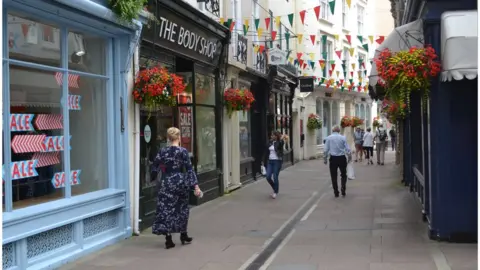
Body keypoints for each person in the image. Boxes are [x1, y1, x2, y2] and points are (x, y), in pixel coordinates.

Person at [152, 127, 203, 249]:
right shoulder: (183, 151)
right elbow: (189, 170)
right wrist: (195, 185)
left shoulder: (162, 151)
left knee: (166, 210)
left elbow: (154, 167)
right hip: (180, 182)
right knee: (182, 209)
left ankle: (168, 239)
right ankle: (183, 234)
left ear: (168, 138)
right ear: (179, 138)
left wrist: (155, 177)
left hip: (167, 182)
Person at [324, 125, 351, 197]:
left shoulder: (328, 138)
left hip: (333, 158)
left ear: (332, 130)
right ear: (339, 131)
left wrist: (325, 159)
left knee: (333, 175)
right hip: (342, 158)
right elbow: (348, 148)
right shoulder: (343, 138)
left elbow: (326, 150)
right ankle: (343, 188)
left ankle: (336, 191)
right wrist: (349, 156)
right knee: (343, 174)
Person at [263, 131, 284, 199]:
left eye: (273, 135)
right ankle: (275, 188)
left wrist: (281, 138)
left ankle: (275, 192)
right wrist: (263, 161)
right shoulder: (269, 142)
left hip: (277, 161)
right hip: (270, 161)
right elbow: (266, 152)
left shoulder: (280, 142)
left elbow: (281, 144)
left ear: (276, 136)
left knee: (275, 176)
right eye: (271, 135)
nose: (271, 136)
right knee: (268, 177)